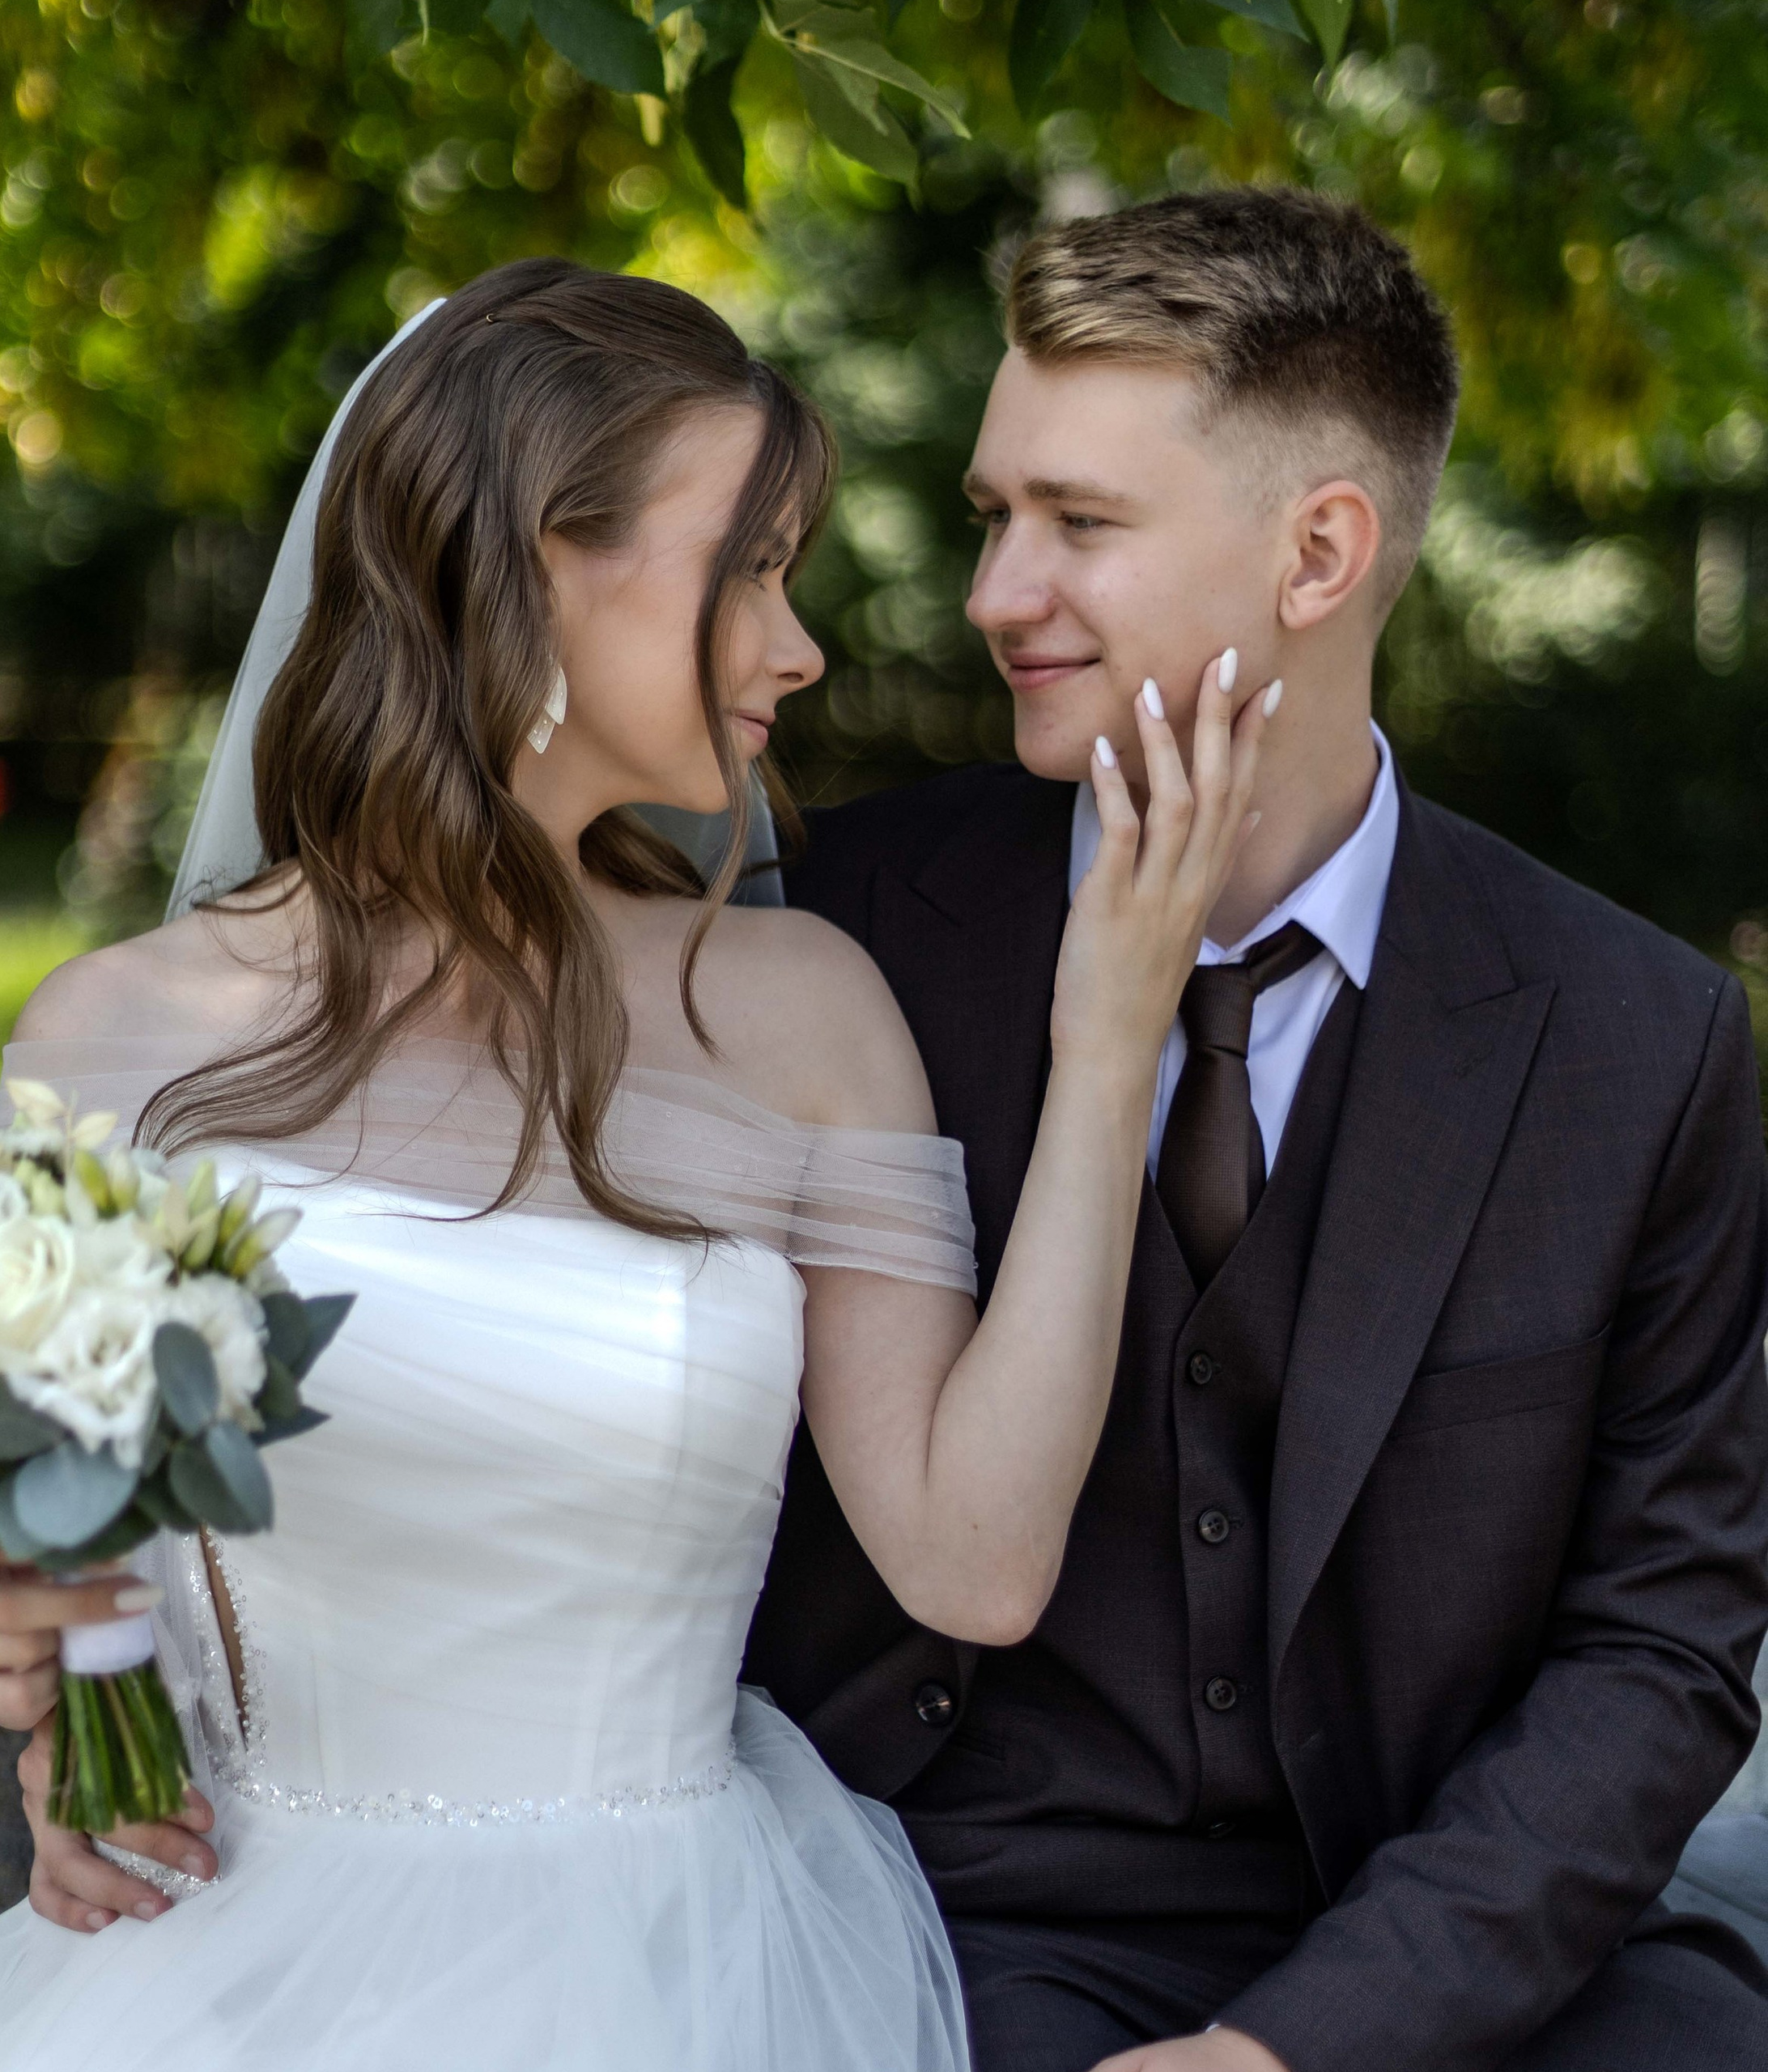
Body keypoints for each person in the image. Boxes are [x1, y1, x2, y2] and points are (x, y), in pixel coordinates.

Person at [0, 257, 1266, 2070]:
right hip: (216, 1978)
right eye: (749, 568)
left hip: (676, 1974)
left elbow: (976, 1562)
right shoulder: (108, 1039)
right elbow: (63, 1558)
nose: (797, 645)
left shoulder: (798, 1012)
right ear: (541, 559)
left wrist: (1111, 1044)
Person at [740, 189, 1768, 2071]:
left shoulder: (1634, 1039)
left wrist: (1297, 2043)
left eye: (1077, 522)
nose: (993, 594)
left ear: (1317, 553)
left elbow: (1660, 1647)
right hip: (965, 1920)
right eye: (990, 515)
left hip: (1441, 1943)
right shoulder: (839, 934)